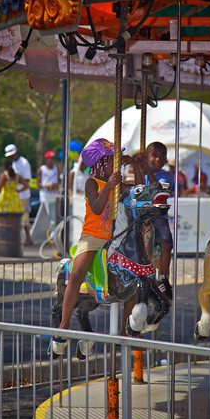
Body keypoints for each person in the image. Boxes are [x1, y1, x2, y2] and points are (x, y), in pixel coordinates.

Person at [52, 138, 143, 355]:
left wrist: (136, 166)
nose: (116, 163)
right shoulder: (92, 182)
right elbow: (96, 207)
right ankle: (64, 324)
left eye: (117, 159)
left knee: (134, 277)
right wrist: (110, 186)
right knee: (77, 274)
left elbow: (140, 190)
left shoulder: (119, 183)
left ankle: (125, 331)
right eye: (112, 160)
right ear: (99, 163)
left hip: (116, 238)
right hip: (93, 236)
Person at [137, 141, 174, 300]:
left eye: (162, 157)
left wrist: (146, 169)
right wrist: (137, 166)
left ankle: (164, 277)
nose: (158, 159)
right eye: (154, 156)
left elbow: (156, 189)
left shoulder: (167, 175)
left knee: (167, 242)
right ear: (147, 157)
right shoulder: (140, 172)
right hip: (140, 214)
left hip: (158, 216)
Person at [4, 144, 33, 246]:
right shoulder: (11, 163)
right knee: (15, 217)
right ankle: (18, 238)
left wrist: (16, 184)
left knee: (24, 216)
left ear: (16, 152)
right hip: (14, 196)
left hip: (23, 195)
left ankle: (28, 238)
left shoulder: (24, 163)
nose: (11, 157)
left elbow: (27, 180)